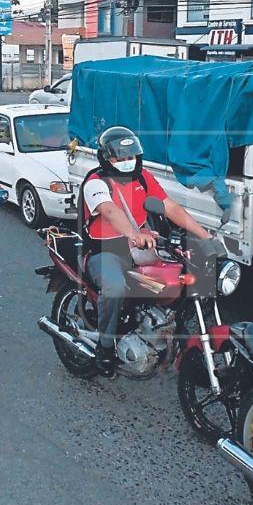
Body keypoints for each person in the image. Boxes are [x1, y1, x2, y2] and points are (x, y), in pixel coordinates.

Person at [80, 126, 216, 376]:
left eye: (130, 156)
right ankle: (105, 347)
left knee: (177, 277)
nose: (126, 162)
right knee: (115, 287)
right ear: (106, 159)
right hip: (105, 251)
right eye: (119, 158)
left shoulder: (143, 178)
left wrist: (206, 236)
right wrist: (134, 235)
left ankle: (158, 329)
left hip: (141, 249)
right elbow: (110, 210)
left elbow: (170, 207)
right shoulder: (96, 182)